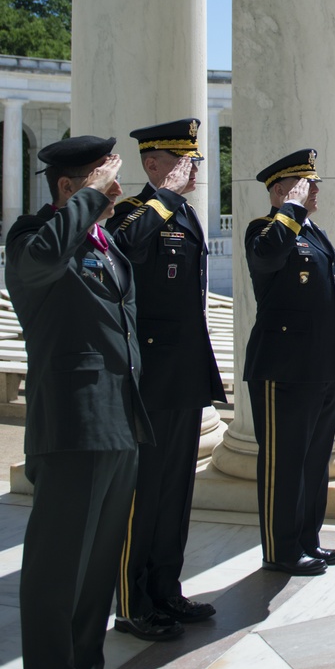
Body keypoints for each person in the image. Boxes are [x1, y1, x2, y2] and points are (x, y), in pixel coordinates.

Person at [5, 136, 151, 669]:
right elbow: (41, 261)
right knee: (58, 565)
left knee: (96, 562)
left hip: (118, 417)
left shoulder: (104, 243)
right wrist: (88, 198)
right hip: (72, 420)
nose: (113, 190)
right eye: (101, 179)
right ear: (69, 188)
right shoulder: (31, 240)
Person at [107, 119, 226, 640]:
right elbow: (123, 250)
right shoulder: (134, 213)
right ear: (152, 165)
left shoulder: (187, 215)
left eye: (195, 161)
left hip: (182, 372)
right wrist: (164, 200)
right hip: (148, 375)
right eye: (183, 162)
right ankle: (133, 604)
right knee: (144, 492)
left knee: (176, 490)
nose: (194, 170)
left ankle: (166, 590)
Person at [243, 148, 335, 575]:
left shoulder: (314, 232)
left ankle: (308, 539)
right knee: (283, 464)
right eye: (306, 184)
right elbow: (267, 257)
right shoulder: (265, 229)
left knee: (313, 461)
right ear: (281, 191)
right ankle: (280, 550)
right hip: (281, 368)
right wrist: (289, 209)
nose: (316, 189)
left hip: (320, 364)